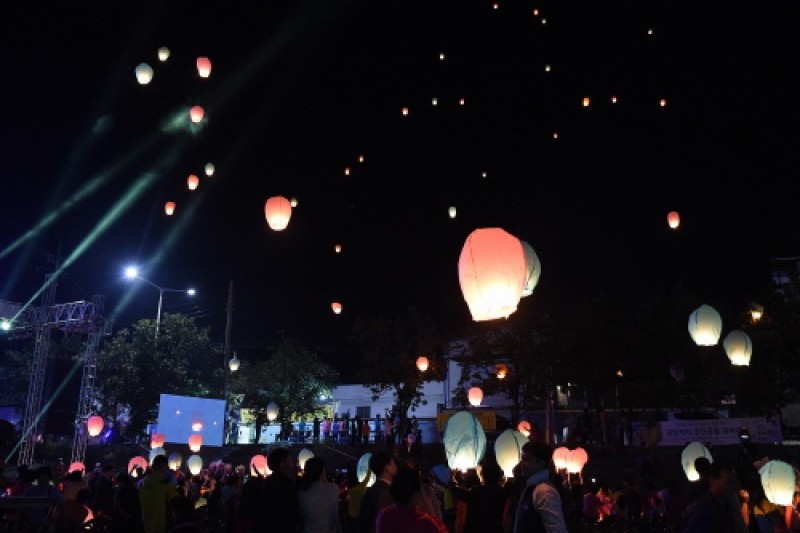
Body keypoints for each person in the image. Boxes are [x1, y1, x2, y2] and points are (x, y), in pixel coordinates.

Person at [512, 441, 568, 533]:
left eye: (527, 460)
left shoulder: (544, 491)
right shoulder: (532, 487)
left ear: (541, 464)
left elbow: (557, 529)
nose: (522, 464)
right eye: (522, 459)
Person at [260, 447, 301, 532]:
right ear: (282, 464)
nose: (292, 460)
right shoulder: (284, 482)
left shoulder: (268, 481)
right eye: (289, 458)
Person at [298, 457, 341, 532]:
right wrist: (324, 478)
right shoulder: (333, 488)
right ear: (322, 471)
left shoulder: (302, 495)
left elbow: (302, 515)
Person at [358, 452, 397, 533]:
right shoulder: (385, 492)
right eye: (393, 463)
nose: (395, 466)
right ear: (387, 468)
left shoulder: (372, 490)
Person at [140, 454, 180, 533]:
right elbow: (176, 500)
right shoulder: (165, 483)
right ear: (163, 466)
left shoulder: (143, 482)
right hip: (162, 523)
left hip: (146, 523)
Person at [23, 466, 64, 530]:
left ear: (49, 478)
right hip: (33, 524)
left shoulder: (56, 492)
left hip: (46, 525)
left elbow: (61, 508)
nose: (42, 480)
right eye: (40, 477)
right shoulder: (29, 491)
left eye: (44, 477)